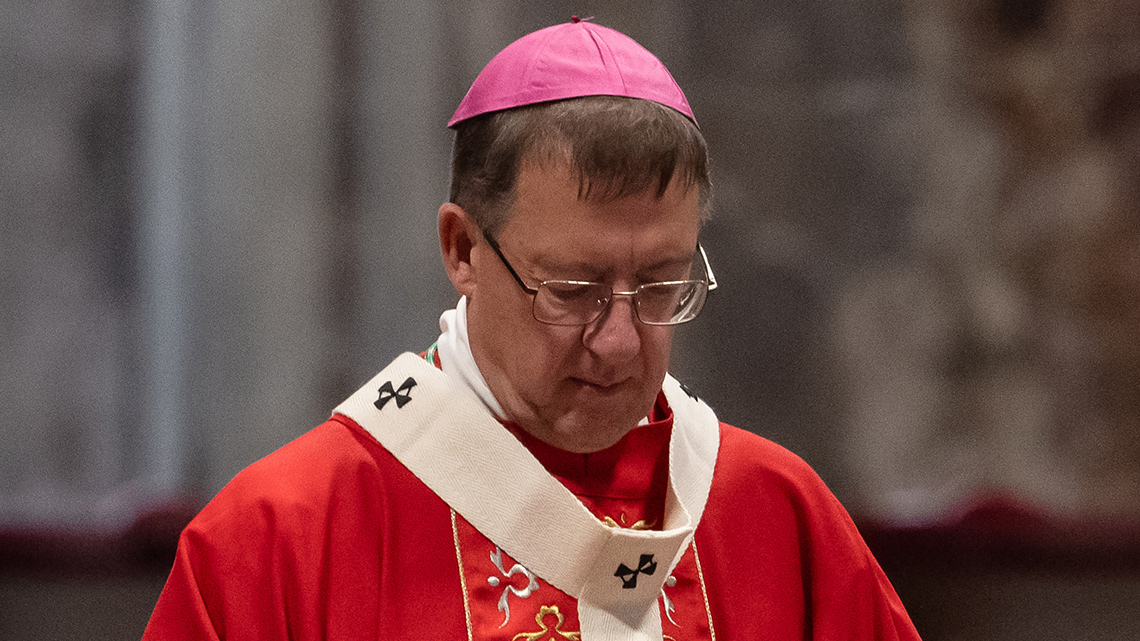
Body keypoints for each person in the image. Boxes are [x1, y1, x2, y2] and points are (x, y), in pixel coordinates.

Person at [143, 18, 921, 641]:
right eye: (573, 289)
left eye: (660, 286)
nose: (619, 341)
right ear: (463, 249)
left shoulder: (779, 517)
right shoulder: (277, 541)